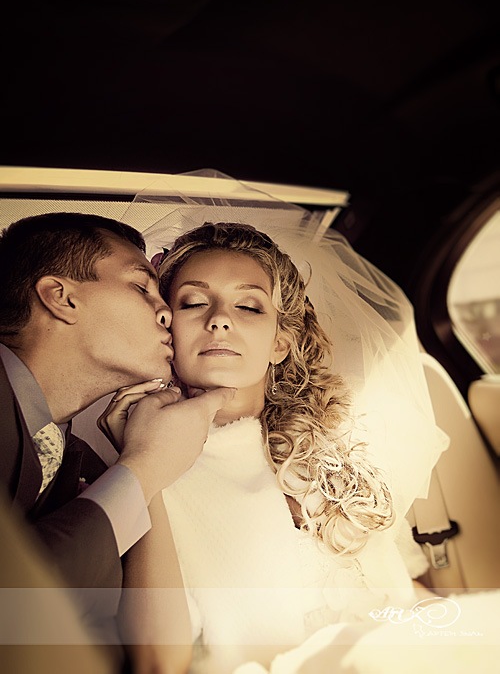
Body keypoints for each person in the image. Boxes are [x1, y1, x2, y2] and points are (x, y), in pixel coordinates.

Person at [105, 219, 448, 674]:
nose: (219, 319)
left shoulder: (331, 450)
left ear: (280, 344)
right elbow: (159, 661)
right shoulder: (152, 474)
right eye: (194, 302)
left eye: (248, 306)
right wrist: (140, 468)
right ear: (168, 332)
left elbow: (401, 597)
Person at [0, 211, 234, 673]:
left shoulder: (79, 463)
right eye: (141, 287)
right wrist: (144, 468)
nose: (166, 313)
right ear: (61, 297)